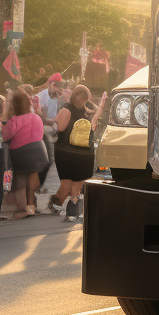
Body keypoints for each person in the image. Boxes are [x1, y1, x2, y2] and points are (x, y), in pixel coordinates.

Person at [49, 85, 106, 221]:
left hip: (66, 151)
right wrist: (102, 103)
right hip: (85, 152)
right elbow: (94, 125)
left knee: (66, 182)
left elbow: (60, 128)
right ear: (87, 97)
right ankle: (73, 207)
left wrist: (54, 122)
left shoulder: (67, 108)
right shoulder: (90, 111)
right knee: (78, 182)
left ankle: (57, 203)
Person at [0, 88, 49, 219]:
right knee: (33, 174)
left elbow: (6, 135)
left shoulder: (14, 120)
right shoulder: (36, 118)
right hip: (40, 153)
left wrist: (5, 116)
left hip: (21, 154)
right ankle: (31, 205)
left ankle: (22, 208)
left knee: (20, 179)